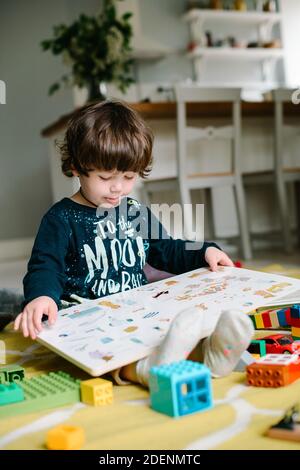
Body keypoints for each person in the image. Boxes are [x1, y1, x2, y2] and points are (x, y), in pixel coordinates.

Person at [13, 100, 253, 387]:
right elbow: (45, 266)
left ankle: (212, 356)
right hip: (86, 319)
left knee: (168, 330)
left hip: (135, 313)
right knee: (100, 355)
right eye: (105, 177)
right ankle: (147, 371)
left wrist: (205, 251)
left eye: (128, 177)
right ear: (76, 168)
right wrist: (42, 296)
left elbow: (167, 249)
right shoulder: (61, 218)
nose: (118, 188)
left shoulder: (133, 211)